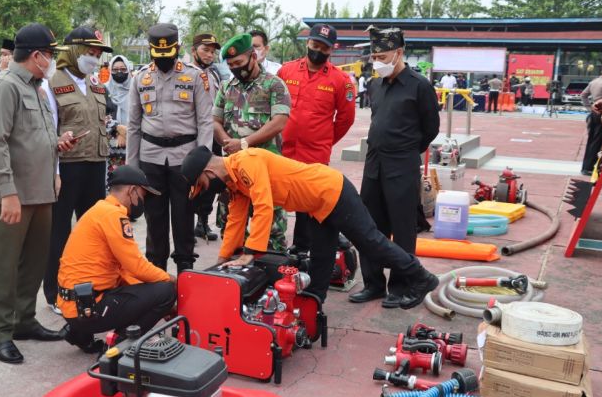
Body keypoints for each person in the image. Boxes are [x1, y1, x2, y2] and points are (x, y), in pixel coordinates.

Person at [182, 146, 438, 306]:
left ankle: (420, 277)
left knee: (370, 242)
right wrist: (223, 261)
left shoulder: (246, 161)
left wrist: (249, 253)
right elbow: (236, 220)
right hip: (315, 205)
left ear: (208, 170)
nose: (206, 191)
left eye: (203, 185)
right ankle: (315, 300)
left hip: (331, 190)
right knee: (321, 256)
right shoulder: (235, 183)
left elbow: (264, 205)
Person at [0, 23, 70, 364]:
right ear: (36, 55)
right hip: (12, 194)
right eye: (50, 55)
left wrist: (58, 145)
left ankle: (24, 321)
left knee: (33, 265)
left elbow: (33, 137)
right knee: (4, 268)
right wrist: (8, 193)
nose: (51, 61)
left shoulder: (37, 87)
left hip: (40, 192)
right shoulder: (5, 87)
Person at [351, 26, 440, 308]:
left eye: (382, 55)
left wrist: (407, 149)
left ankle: (401, 286)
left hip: (402, 163)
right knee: (370, 225)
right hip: (374, 162)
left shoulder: (419, 85)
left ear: (399, 53)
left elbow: (431, 129)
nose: (377, 61)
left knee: (402, 228)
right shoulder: (376, 85)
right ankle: (373, 283)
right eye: (374, 56)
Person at [57, 165, 176, 352]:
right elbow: (137, 266)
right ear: (132, 191)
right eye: (142, 196)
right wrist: (171, 281)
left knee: (141, 287)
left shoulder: (100, 210)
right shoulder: (114, 216)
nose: (141, 202)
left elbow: (124, 270)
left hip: (73, 304)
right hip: (88, 307)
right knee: (165, 292)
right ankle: (117, 347)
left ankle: (78, 333)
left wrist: (144, 292)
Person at [126, 23, 213, 273]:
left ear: (178, 48)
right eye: (157, 55)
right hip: (150, 157)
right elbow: (133, 124)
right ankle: (157, 273)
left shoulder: (195, 76)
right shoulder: (140, 78)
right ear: (152, 51)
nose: (162, 60)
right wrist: (132, 168)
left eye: (167, 54)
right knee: (155, 218)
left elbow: (205, 121)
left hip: (184, 157)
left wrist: (203, 160)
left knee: (184, 216)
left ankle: (185, 269)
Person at [41, 26, 113, 315]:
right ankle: (55, 292)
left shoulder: (95, 84)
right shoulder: (51, 85)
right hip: (66, 169)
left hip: (95, 165)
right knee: (59, 232)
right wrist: (55, 171)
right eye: (89, 53)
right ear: (72, 52)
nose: (93, 59)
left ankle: (89, 285)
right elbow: (50, 132)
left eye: (97, 55)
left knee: (91, 231)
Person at [277, 23, 355, 254]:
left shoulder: (341, 80)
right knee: (278, 194)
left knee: (310, 202)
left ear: (333, 49)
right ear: (307, 43)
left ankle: (304, 247)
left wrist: (324, 139)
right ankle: (274, 242)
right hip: (285, 149)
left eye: (324, 47)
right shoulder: (286, 71)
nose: (318, 50)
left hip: (315, 151)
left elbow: (345, 119)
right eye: (314, 45)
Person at [213, 33, 290, 251]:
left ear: (253, 56)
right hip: (234, 171)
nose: (235, 68)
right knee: (232, 228)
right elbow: (215, 121)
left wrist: (244, 143)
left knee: (270, 231)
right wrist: (227, 140)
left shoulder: (274, 85)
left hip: (267, 171)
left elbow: (279, 122)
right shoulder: (226, 87)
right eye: (230, 65)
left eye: (239, 63)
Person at [190, 33, 223, 242]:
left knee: (212, 180)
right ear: (193, 50)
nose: (210, 55)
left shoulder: (215, 74)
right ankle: (187, 223)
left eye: (212, 52)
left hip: (213, 135)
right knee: (191, 180)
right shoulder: (184, 73)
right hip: (192, 135)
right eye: (205, 50)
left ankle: (203, 222)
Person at [105, 55, 133, 175]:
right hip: (110, 146)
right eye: (115, 70)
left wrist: (127, 132)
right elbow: (101, 116)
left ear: (128, 70)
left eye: (123, 69)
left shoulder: (136, 89)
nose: (119, 72)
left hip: (133, 144)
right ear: (110, 71)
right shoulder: (103, 89)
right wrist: (118, 130)